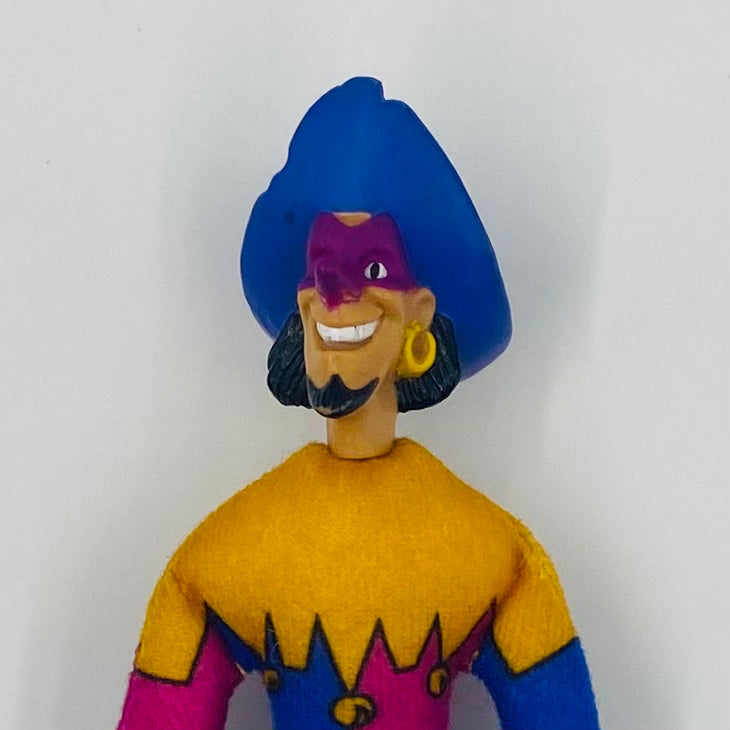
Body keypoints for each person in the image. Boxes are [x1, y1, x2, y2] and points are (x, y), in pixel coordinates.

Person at [117, 77, 599, 730]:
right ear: (301, 307)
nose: (334, 288)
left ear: (419, 314)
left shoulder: (490, 553)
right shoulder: (225, 555)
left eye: (371, 268)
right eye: (319, 265)